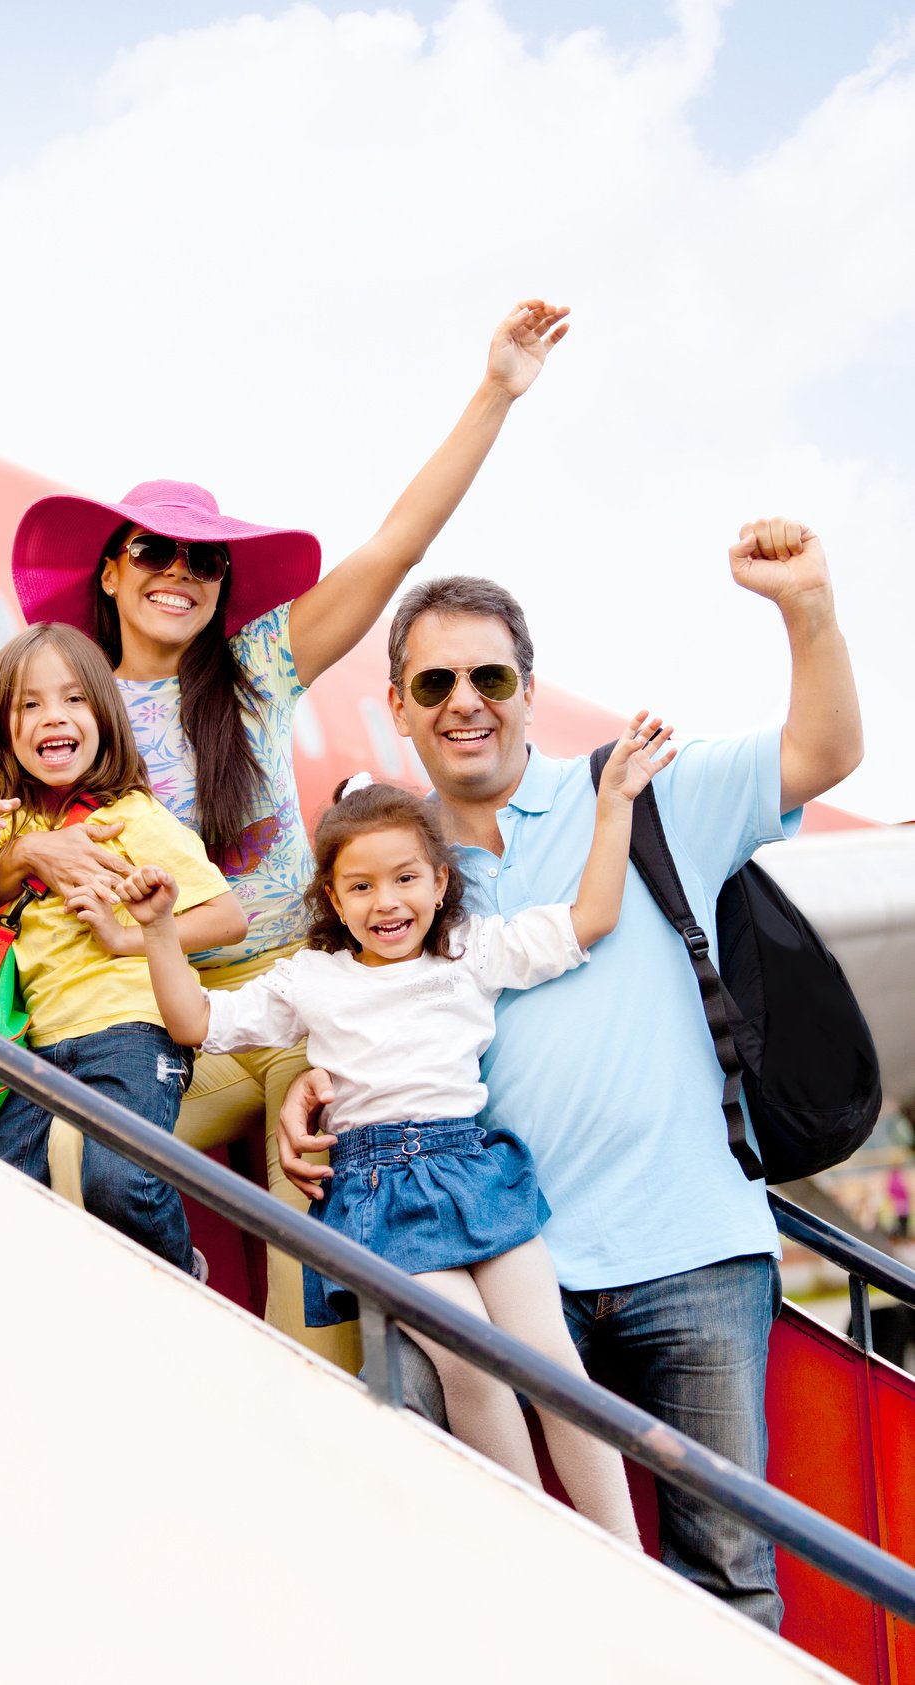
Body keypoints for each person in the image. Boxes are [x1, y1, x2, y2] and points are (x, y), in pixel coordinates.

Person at [278, 518, 864, 1627]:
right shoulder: (387, 876)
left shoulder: (637, 796)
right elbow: (336, 1018)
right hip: (486, 1255)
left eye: (487, 674)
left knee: (726, 1578)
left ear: (527, 690)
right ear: (396, 706)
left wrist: (807, 608)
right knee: (455, 1563)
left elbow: (822, 754)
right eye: (433, 680)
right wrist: (308, 1088)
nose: (464, 699)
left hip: (685, 1249)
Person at [0, 298, 571, 1367]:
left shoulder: (256, 667)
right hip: (181, 1016)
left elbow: (397, 546)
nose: (179, 572)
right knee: (80, 1162)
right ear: (110, 569)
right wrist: (30, 851)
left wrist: (495, 391)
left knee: (318, 1278)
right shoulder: (68, 705)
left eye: (203, 561)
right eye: (153, 551)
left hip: (309, 990)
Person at [114, 719, 679, 1546]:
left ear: (441, 880)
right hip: (378, 1187)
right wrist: (162, 931)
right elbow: (196, 1019)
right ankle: (544, 1554)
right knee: (467, 1361)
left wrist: (615, 803)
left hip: (468, 1164)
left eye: (406, 878)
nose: (388, 903)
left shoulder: (471, 954)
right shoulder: (312, 979)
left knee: (554, 1363)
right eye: (362, 887)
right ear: (334, 901)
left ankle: (627, 1559)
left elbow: (591, 916)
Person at [0, 622, 246, 1275]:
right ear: (4, 728)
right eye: (28, 704)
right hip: (39, 1049)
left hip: (132, 1036)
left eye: (72, 699)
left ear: (105, 717)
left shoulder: (133, 817)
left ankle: (182, 1269)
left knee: (117, 1177)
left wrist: (134, 933)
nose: (51, 716)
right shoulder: (10, 821)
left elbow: (227, 918)